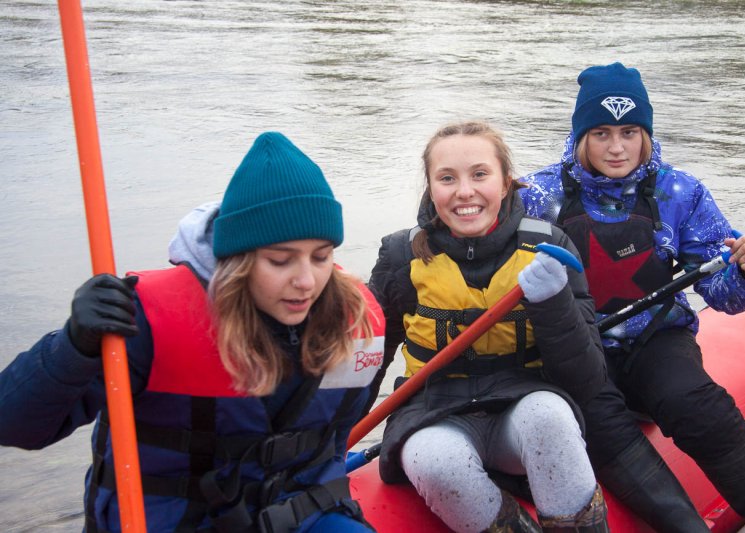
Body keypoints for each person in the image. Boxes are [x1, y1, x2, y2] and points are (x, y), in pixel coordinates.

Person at [0, 132, 387, 532]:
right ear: (239, 260)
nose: (306, 281)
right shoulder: (142, 321)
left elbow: (332, 442)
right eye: (279, 261)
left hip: (300, 516)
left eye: (321, 257)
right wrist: (71, 347)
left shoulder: (355, 320)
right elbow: (13, 425)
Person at [518, 62, 745, 532]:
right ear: (581, 136)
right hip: (575, 351)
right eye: (602, 133)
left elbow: (719, 291)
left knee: (698, 404)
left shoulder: (679, 191)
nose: (616, 147)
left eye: (629, 132)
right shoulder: (535, 194)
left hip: (657, 339)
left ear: (644, 134)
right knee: (600, 424)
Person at [368, 121, 609, 532]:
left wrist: (554, 304)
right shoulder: (399, 257)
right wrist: (324, 446)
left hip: (524, 404)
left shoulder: (550, 249)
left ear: (506, 181)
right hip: (432, 412)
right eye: (447, 178)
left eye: (480, 174)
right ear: (431, 187)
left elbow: (587, 380)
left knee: (551, 419)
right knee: (437, 462)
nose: (465, 192)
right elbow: (369, 363)